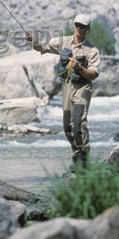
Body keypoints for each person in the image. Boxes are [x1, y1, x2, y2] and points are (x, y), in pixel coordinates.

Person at [27, 14, 101, 172]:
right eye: (77, 25)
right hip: (67, 87)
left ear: (88, 29)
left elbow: (94, 74)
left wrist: (79, 68)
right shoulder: (63, 42)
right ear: (74, 26)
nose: (79, 28)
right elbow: (42, 48)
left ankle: (84, 160)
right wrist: (33, 41)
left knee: (78, 125)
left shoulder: (92, 50)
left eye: (82, 26)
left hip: (82, 88)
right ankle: (76, 158)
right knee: (67, 127)